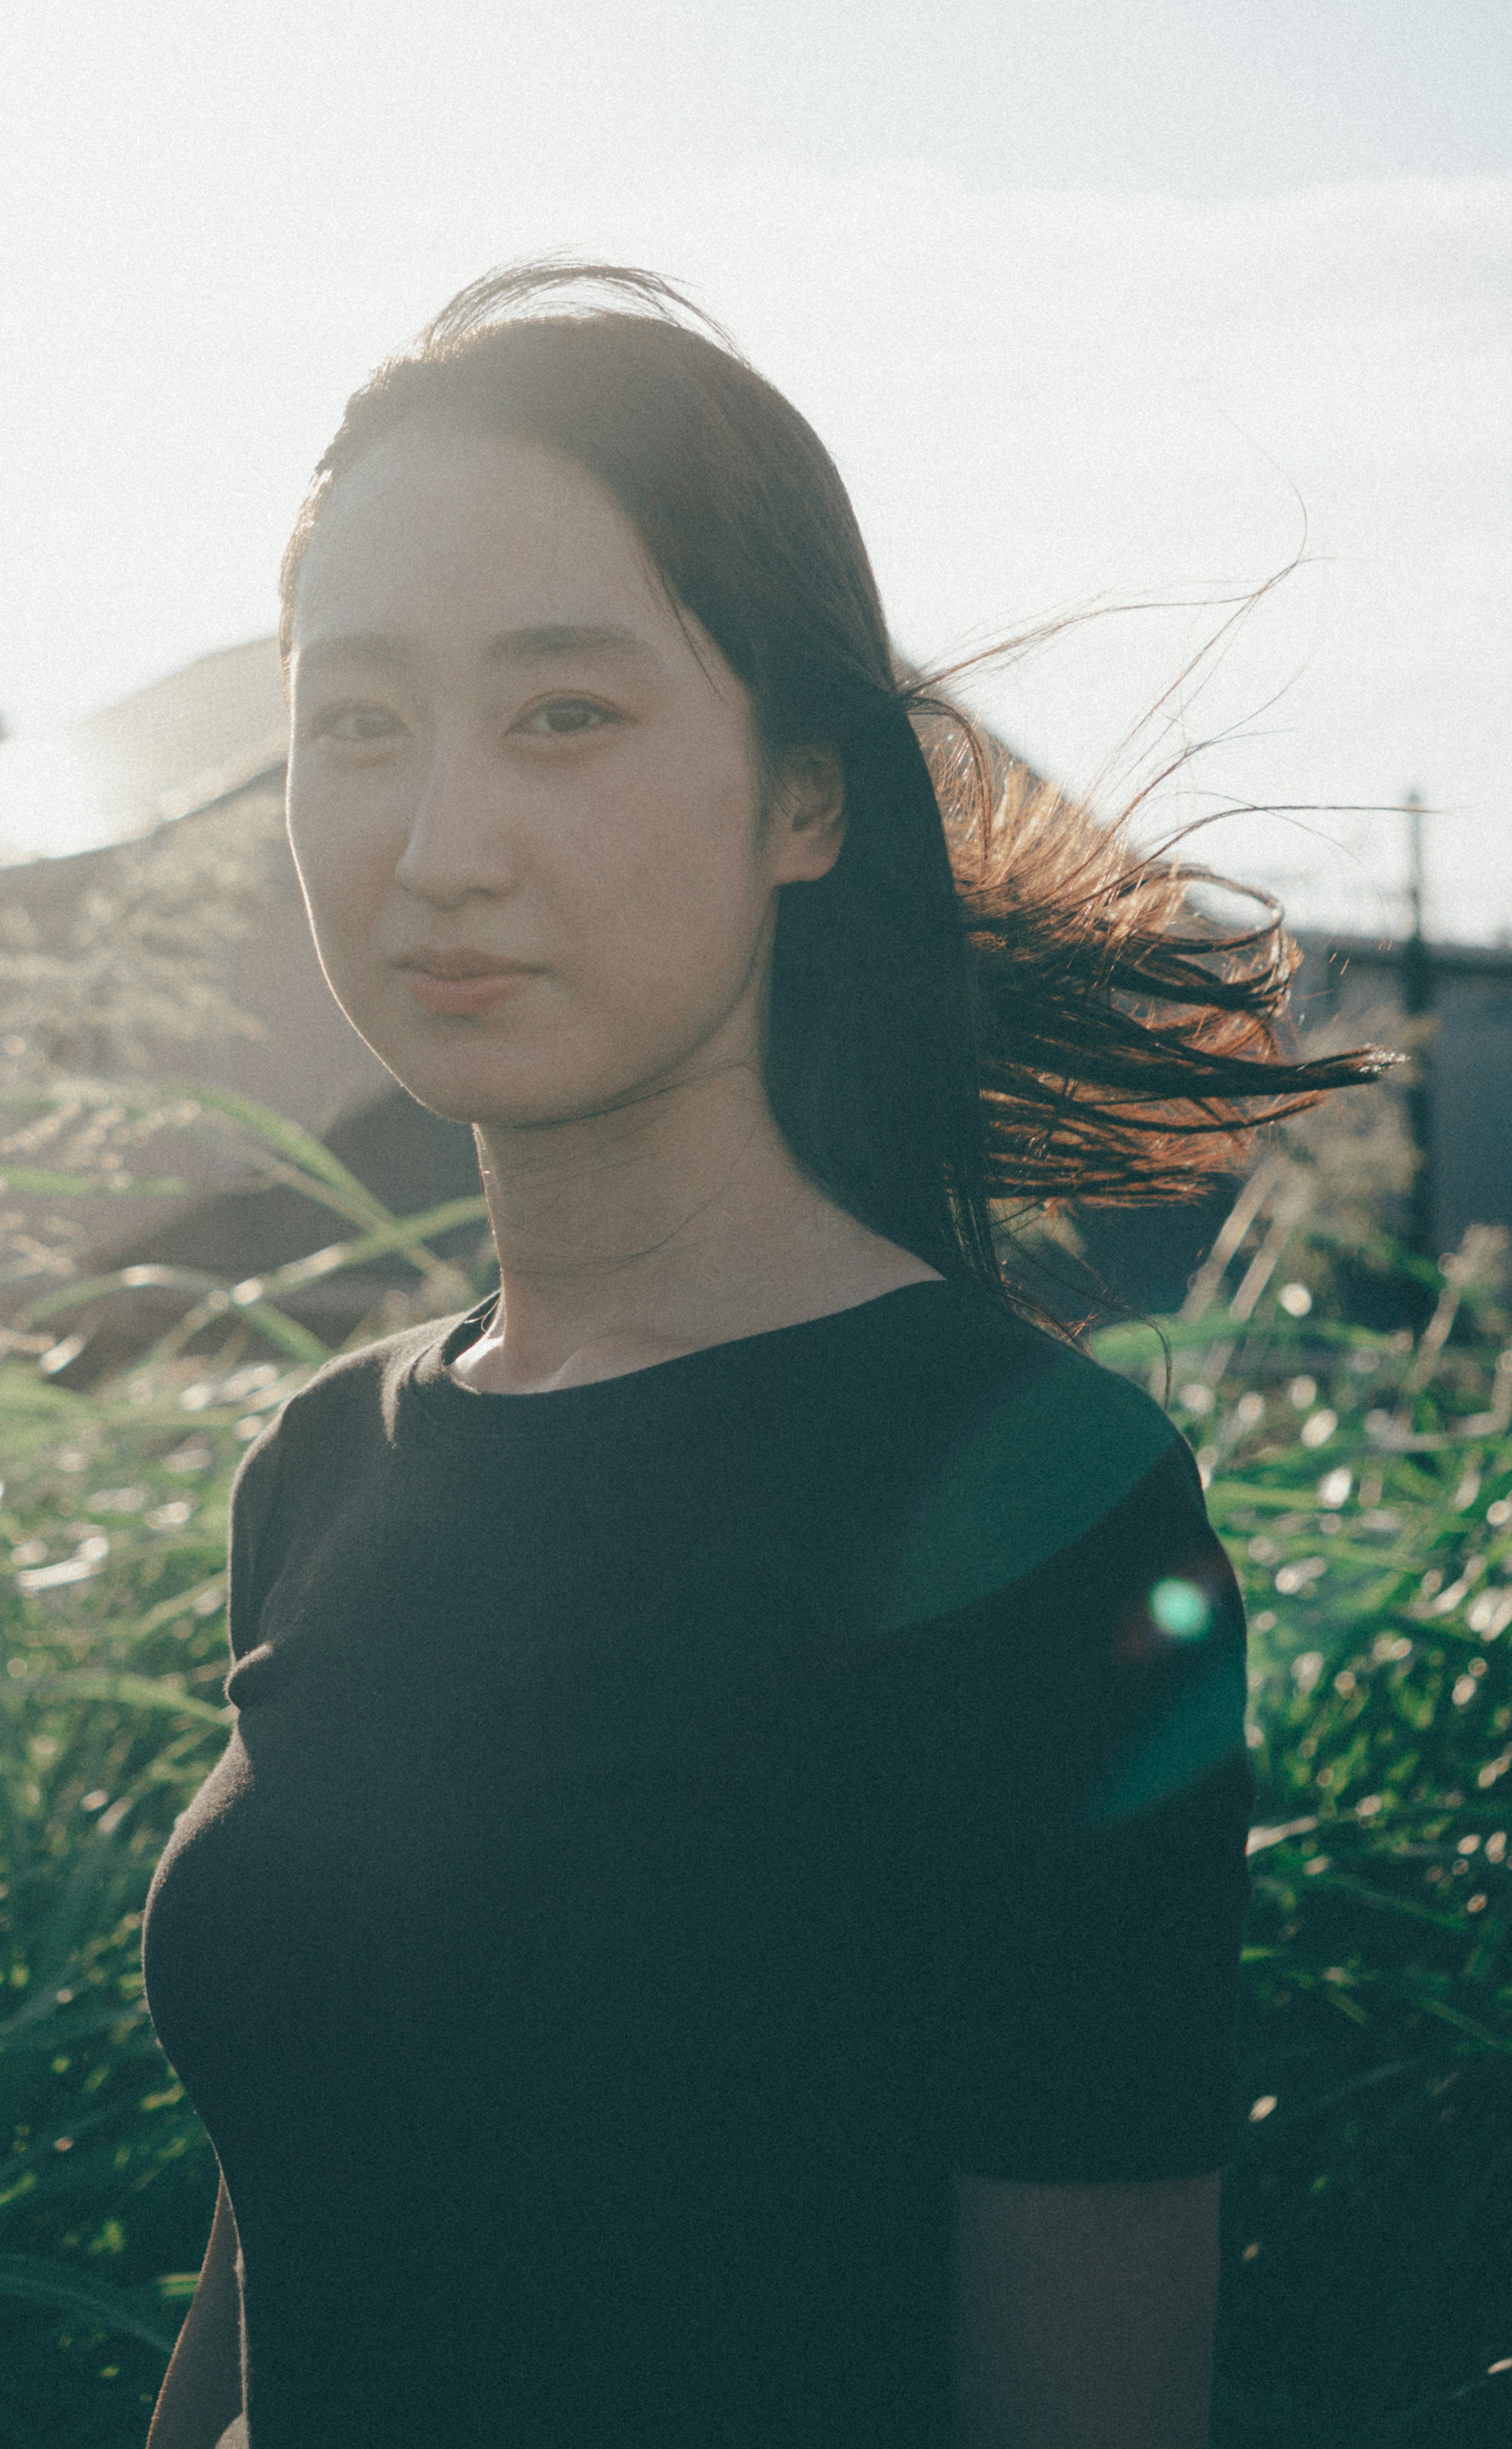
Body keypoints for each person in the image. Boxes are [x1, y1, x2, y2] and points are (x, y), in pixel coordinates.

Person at [138, 266, 1381, 2449]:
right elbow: (280, 2287)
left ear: (806, 797)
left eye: (566, 716)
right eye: (360, 724)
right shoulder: (330, 1463)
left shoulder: (1037, 1508)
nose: (440, 848)